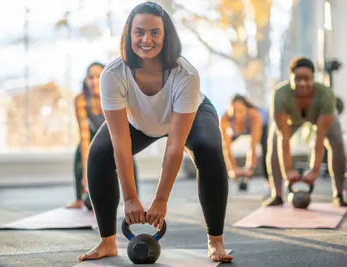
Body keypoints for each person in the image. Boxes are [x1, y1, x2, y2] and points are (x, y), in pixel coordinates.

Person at [77, 2, 233, 263]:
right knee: (100, 153)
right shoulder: (113, 75)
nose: (146, 39)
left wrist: (160, 200)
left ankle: (215, 241)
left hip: (190, 117)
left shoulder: (186, 75)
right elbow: (120, 142)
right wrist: (130, 199)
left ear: (166, 35)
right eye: (139, 32)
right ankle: (106, 242)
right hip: (139, 121)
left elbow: (174, 147)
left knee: (208, 150)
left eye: (154, 33)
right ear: (129, 35)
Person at [263, 56, 347, 208]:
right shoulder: (280, 94)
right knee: (274, 141)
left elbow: (320, 138)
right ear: (290, 78)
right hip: (291, 119)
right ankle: (276, 195)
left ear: (313, 78)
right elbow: (283, 137)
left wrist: (314, 170)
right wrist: (288, 170)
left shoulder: (327, 95)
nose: (302, 83)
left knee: (337, 141)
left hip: (319, 117)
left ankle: (339, 194)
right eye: (297, 79)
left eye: (307, 79)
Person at [65, 62, 140, 209]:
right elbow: (84, 134)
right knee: (79, 158)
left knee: (128, 156)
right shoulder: (80, 99)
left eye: (98, 77)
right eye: (90, 77)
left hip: (115, 133)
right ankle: (80, 198)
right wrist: (87, 169)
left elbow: (121, 129)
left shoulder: (116, 95)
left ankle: (134, 198)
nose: (93, 81)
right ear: (86, 80)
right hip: (93, 135)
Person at [219, 94, 270, 189]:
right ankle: (217, 178)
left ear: (246, 110)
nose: (237, 116)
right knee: (217, 146)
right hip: (239, 130)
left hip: (261, 126)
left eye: (240, 112)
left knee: (266, 148)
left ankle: (269, 179)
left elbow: (253, 145)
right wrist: (232, 168)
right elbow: (226, 146)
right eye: (234, 112)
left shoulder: (254, 115)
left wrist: (250, 168)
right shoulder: (224, 118)